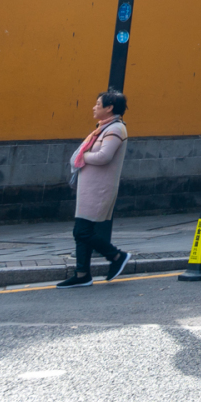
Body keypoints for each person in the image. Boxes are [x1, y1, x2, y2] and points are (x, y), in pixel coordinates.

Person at [58, 89, 131, 287]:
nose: (94, 107)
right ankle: (82, 274)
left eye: (98, 104)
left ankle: (116, 256)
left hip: (99, 189)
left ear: (109, 108)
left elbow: (104, 157)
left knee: (82, 231)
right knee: (82, 230)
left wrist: (82, 156)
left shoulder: (115, 129)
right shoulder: (103, 128)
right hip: (89, 188)